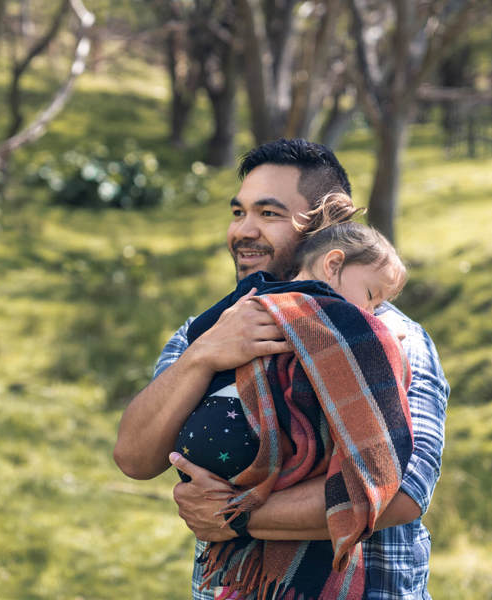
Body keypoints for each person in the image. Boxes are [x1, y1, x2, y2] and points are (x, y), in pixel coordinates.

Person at [113, 139, 449, 599]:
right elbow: (135, 458)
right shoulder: (210, 328)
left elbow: (402, 491)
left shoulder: (385, 337)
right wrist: (205, 354)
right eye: (238, 213)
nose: (244, 231)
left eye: (269, 214)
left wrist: (238, 515)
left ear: (326, 223)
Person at [173, 200, 413, 599]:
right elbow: (372, 351)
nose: (371, 312)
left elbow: (200, 330)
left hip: (199, 448)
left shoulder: (252, 295)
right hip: (250, 439)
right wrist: (384, 338)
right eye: (371, 295)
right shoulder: (335, 314)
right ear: (332, 265)